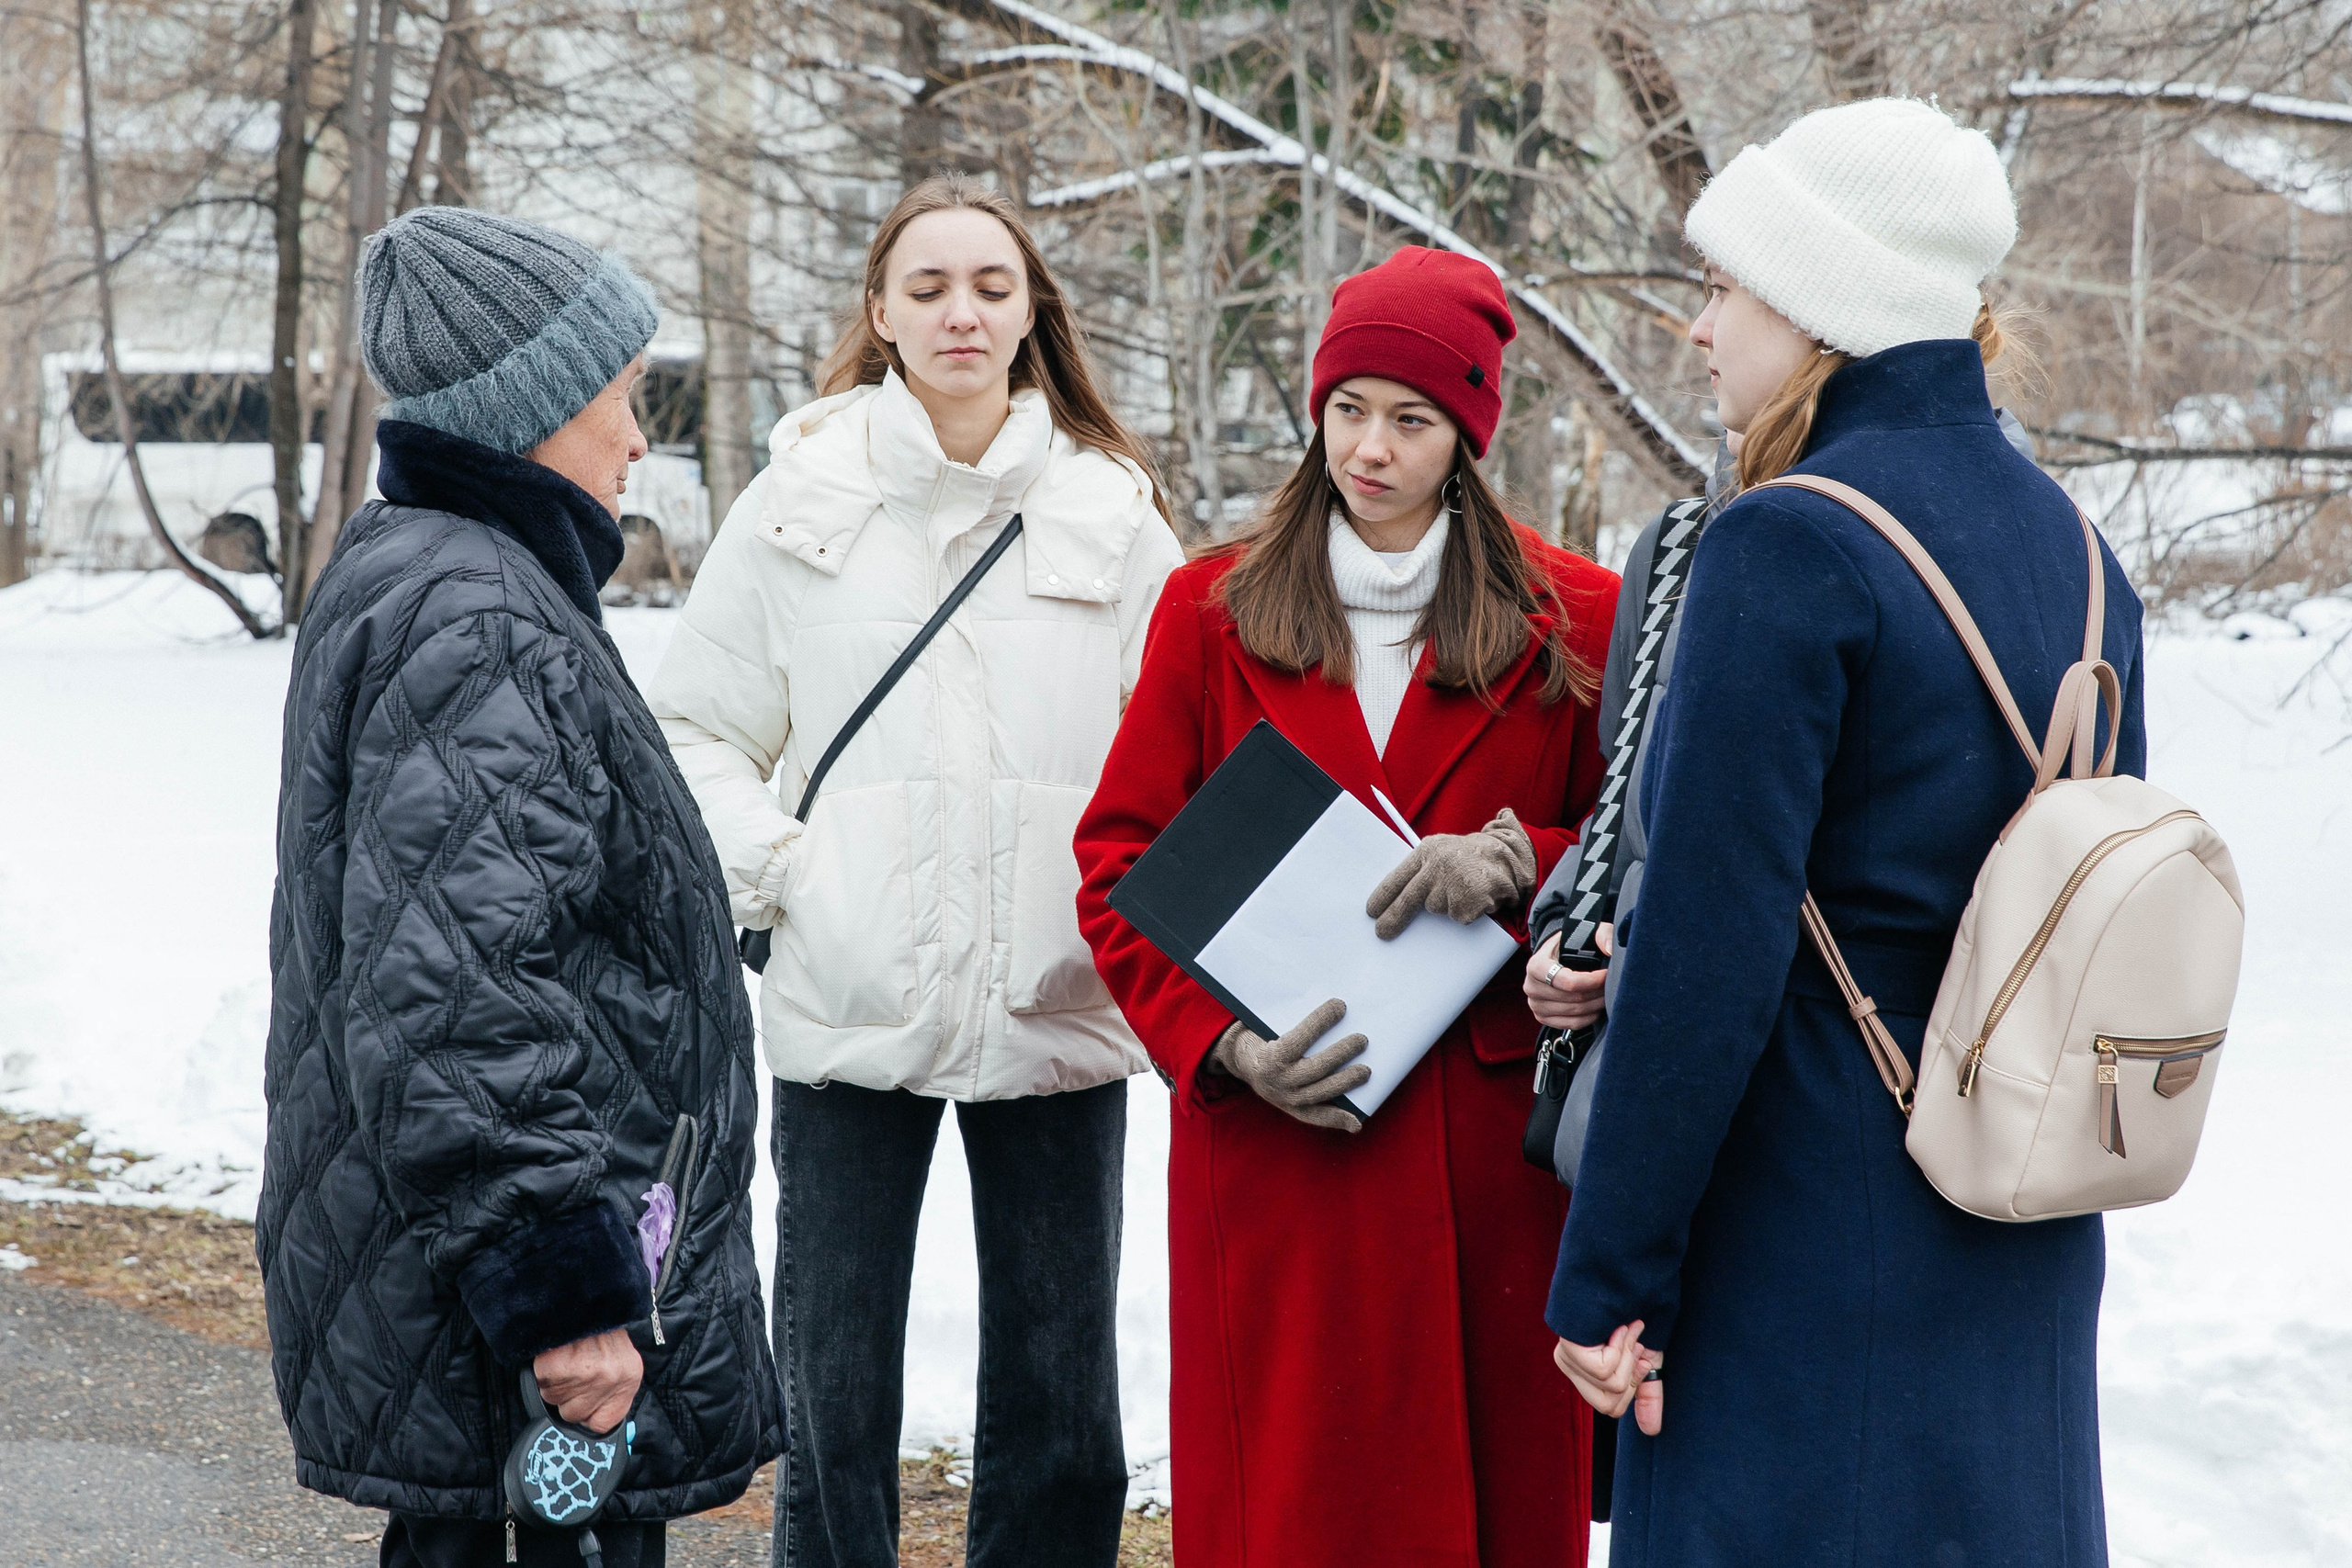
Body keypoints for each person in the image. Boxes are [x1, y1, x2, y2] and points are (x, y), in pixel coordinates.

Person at [1544, 98, 2144, 1565]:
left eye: (1726, 286)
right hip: (2018, 1207)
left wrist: (1609, 1277)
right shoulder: (2078, 550)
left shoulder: (1787, 540)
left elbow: (1708, 952)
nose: (1701, 327)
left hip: (1808, 1226)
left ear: (1821, 305)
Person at [646, 175, 1183, 1568]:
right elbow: (693, 730)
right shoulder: (796, 501)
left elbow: (1186, 748)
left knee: (1065, 1398)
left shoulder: (1110, 514)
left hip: (1055, 998)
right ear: (880, 314)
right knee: (830, 1385)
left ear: (1031, 316)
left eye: (992, 287)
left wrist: (1123, 913)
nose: (962, 311)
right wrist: (788, 874)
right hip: (848, 996)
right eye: (930, 286)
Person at [1074, 246, 1620, 1567]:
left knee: (1487, 1513)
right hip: (1281, 1155)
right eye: (1348, 408)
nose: (1370, 448)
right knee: (1293, 1516)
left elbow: (1625, 856)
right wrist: (1223, 1049)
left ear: (1470, 437)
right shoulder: (1210, 610)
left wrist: (1518, 860)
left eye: (1413, 420)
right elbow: (1118, 863)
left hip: (1489, 1157)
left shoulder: (1576, 617)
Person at [260, 207, 785, 1568]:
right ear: (534, 408)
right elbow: (456, 993)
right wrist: (565, 1301)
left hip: (486, 1285)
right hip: (518, 1317)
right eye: (622, 396)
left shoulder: (449, 574)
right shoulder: (475, 615)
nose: (637, 435)